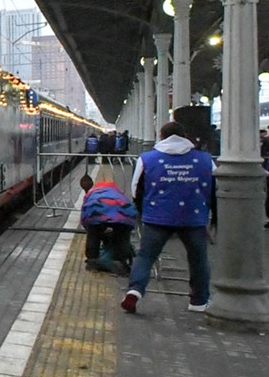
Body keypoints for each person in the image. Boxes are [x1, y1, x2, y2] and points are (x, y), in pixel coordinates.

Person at [122, 121, 216, 314]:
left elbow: (135, 190)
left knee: (146, 257)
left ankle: (134, 291)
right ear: (185, 136)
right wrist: (211, 215)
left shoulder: (147, 159)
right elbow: (215, 189)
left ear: (161, 135)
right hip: (194, 218)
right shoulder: (206, 160)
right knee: (198, 259)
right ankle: (198, 301)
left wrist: (144, 212)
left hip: (156, 218)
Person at [79, 173, 136, 273]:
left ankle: (92, 262)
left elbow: (85, 215)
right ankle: (121, 260)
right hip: (123, 215)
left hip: (96, 211)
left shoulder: (92, 193)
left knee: (93, 234)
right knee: (123, 234)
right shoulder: (118, 193)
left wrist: (89, 229)